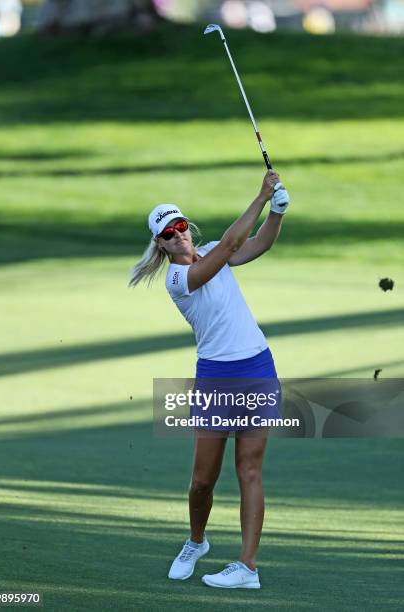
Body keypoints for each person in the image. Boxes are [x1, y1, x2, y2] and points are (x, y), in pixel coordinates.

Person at [129, 170, 290, 589]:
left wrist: (277, 211)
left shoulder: (214, 248)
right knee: (203, 478)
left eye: (181, 225)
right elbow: (234, 244)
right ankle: (196, 541)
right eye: (169, 232)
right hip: (216, 377)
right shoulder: (177, 280)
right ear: (160, 245)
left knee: (249, 470)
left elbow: (258, 244)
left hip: (256, 367)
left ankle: (247, 568)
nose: (178, 234)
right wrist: (260, 197)